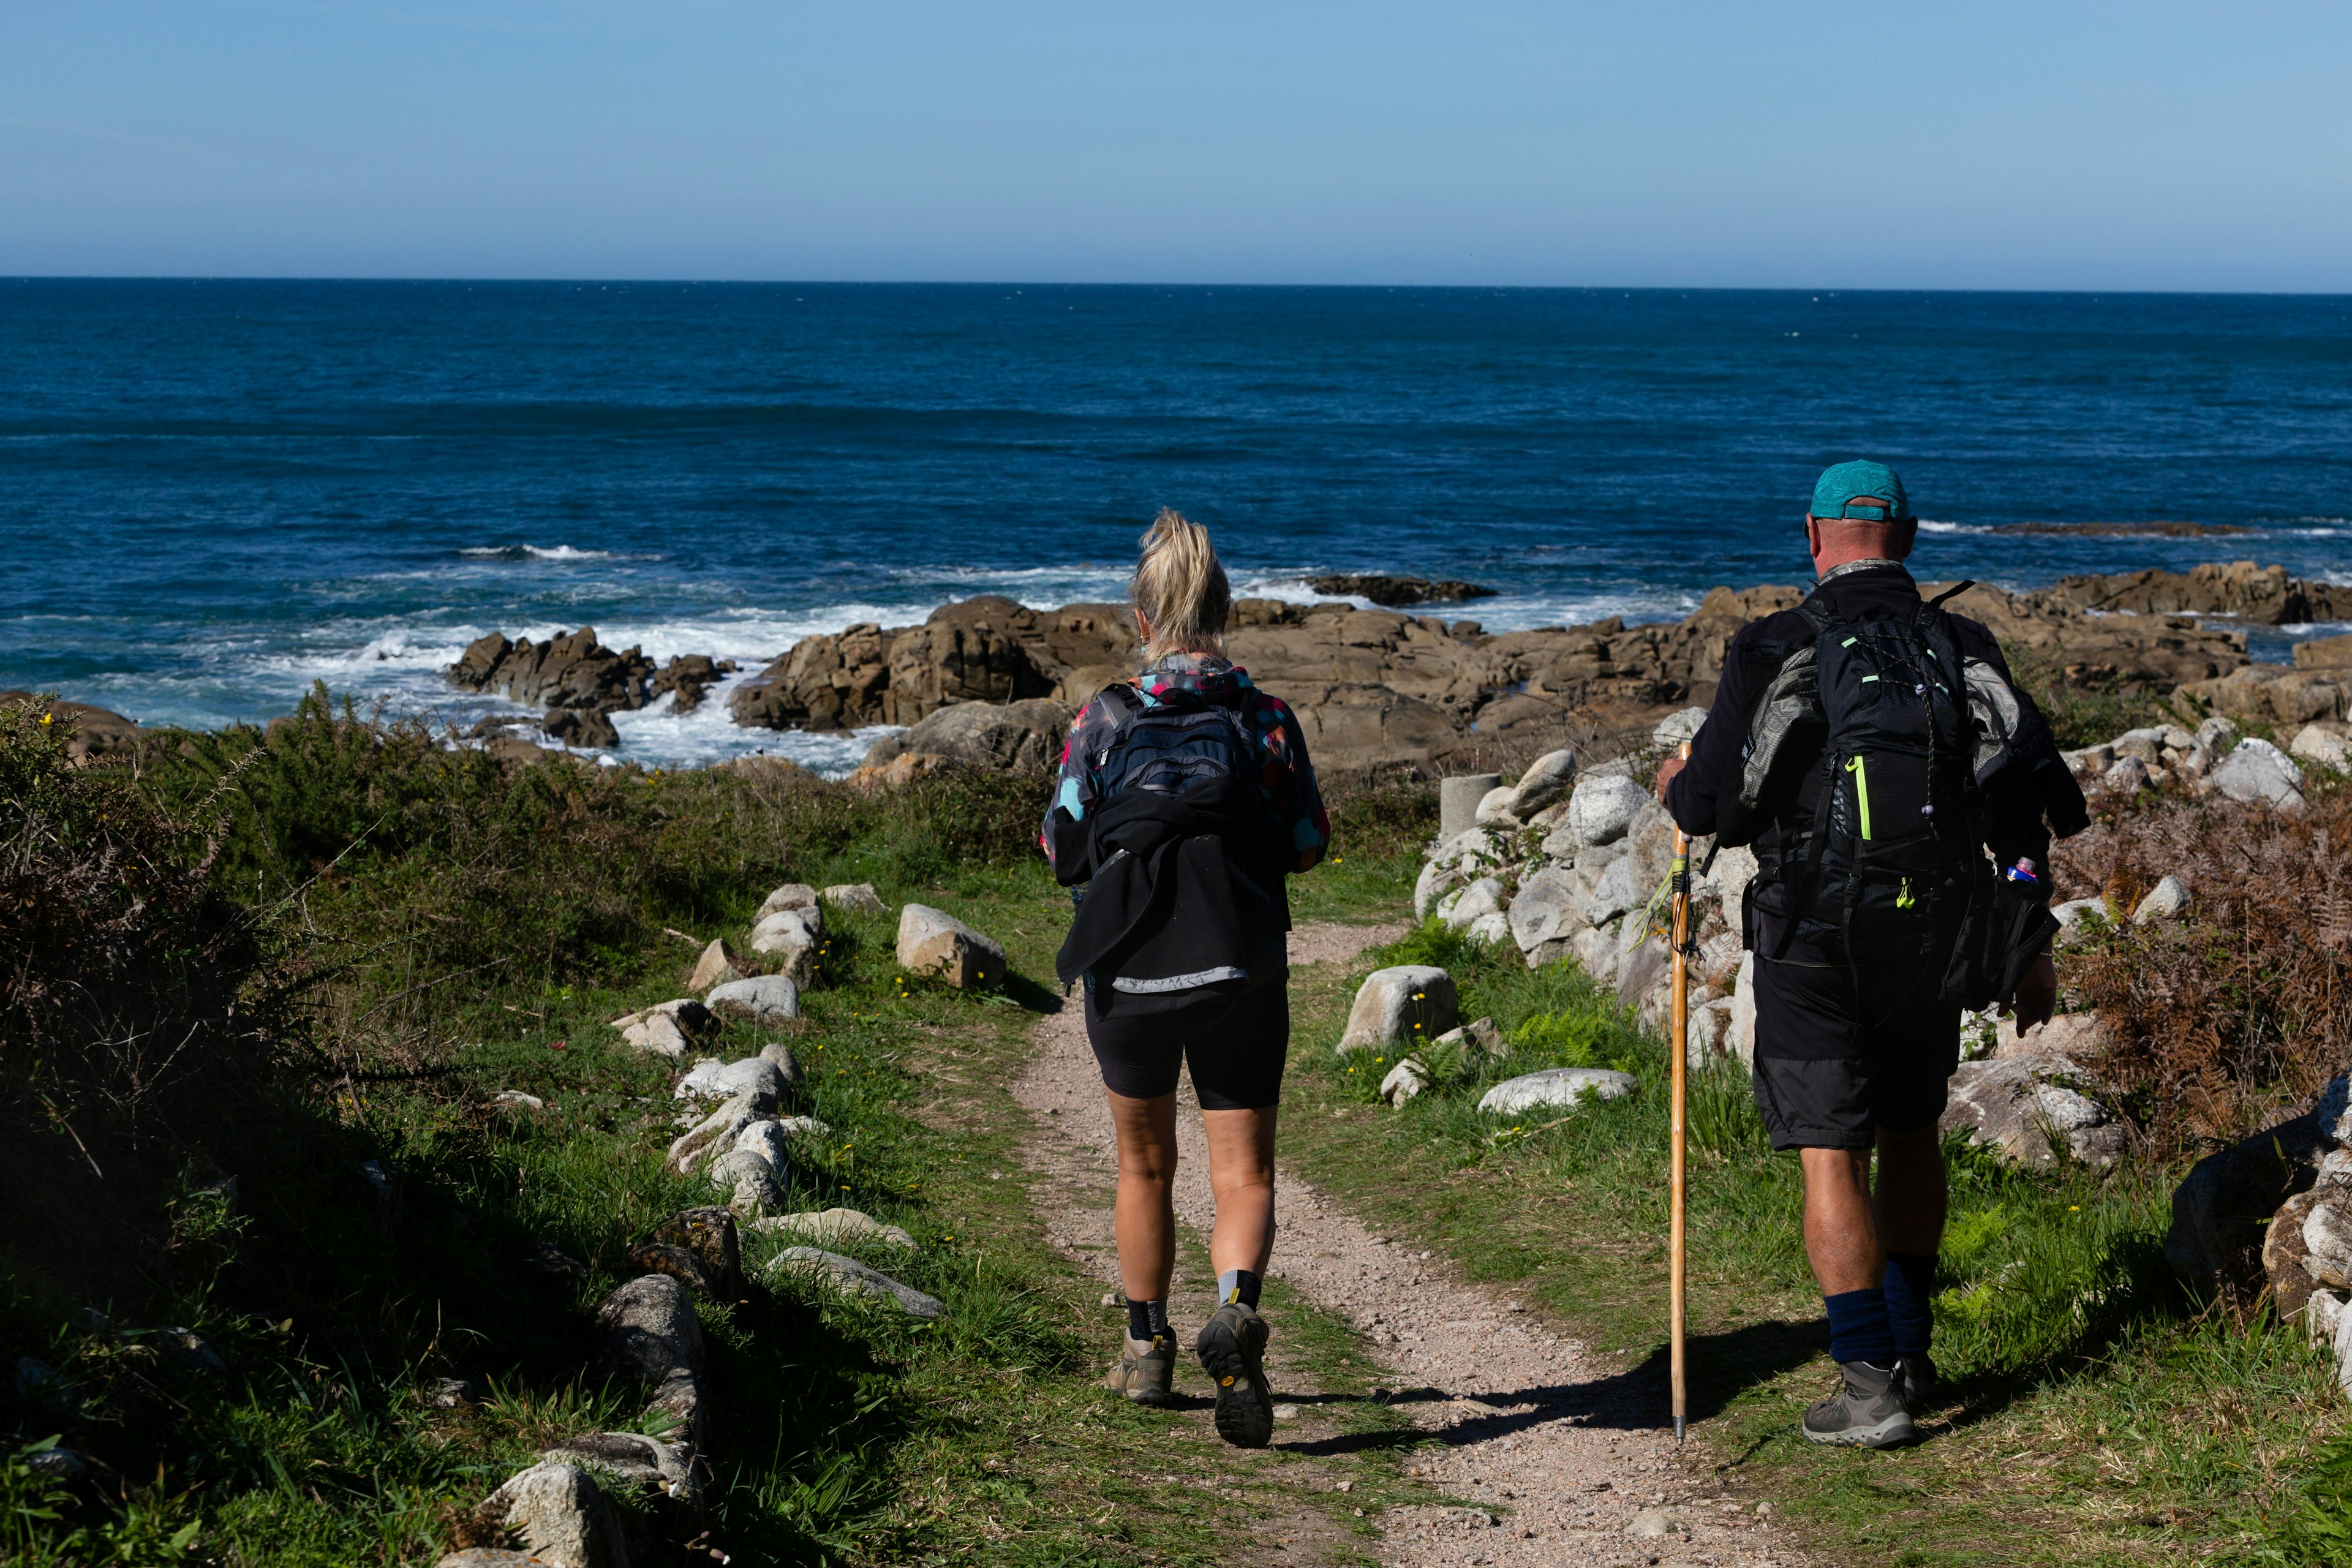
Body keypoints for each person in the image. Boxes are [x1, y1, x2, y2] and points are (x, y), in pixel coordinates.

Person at [1654, 460, 2087, 1449]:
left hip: (1812, 934)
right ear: (1913, 533)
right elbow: (2025, 814)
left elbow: (1708, 808)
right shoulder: (1962, 642)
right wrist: (2030, 946)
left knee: (1829, 1152)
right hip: (1933, 931)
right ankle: (1912, 1345)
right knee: (1909, 1133)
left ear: (1812, 537)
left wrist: (1675, 776)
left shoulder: (1772, 644)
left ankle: (1867, 1384)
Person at [1040, 508, 1331, 1448]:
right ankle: (1237, 1313)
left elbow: (1060, 847)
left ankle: (1146, 1349)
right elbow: (1308, 844)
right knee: (1241, 1169)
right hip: (1239, 963)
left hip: (1126, 971)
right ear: (1225, 608)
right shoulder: (1266, 721)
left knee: (1143, 1164)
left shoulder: (1105, 718)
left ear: (1141, 614)